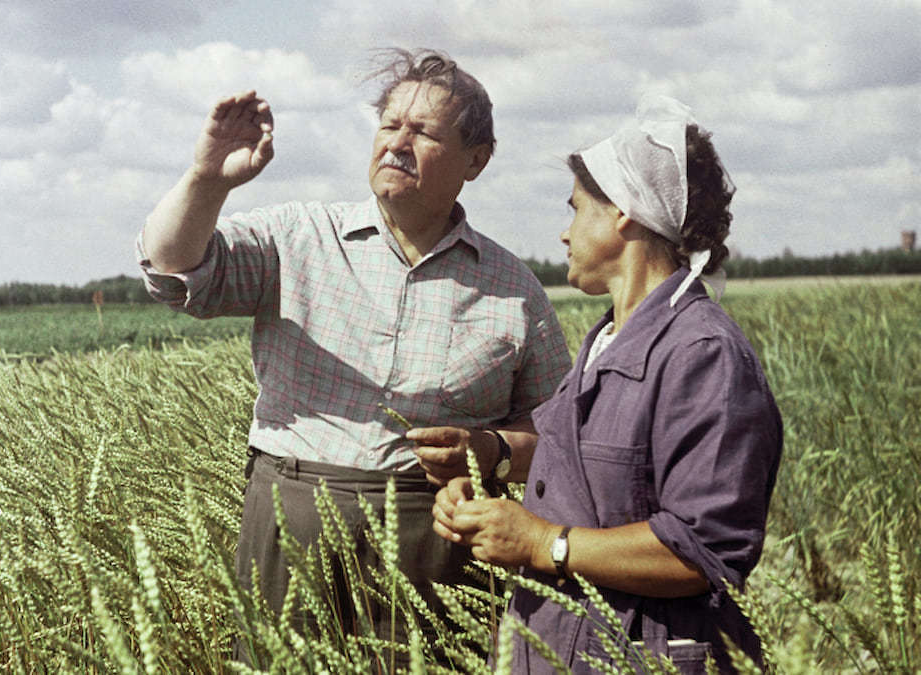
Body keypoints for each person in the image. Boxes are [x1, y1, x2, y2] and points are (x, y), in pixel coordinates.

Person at [136, 48, 571, 642]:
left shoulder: (513, 288)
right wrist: (206, 180)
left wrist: (489, 448)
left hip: (437, 542)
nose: (397, 142)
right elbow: (173, 271)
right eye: (389, 125)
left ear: (476, 159)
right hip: (294, 521)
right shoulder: (297, 237)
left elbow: (557, 436)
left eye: (422, 132)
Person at [432, 94, 783, 673]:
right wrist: (487, 463)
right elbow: (583, 459)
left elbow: (706, 552)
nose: (564, 234)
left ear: (623, 212)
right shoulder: (610, 339)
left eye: (575, 209)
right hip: (562, 646)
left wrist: (543, 544)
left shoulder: (702, 354)